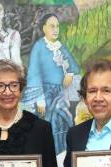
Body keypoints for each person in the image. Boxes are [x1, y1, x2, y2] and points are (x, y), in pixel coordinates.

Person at [26, 13, 80, 155]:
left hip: (61, 94)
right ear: (44, 28)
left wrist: (69, 74)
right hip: (45, 95)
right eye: (52, 26)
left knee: (62, 123)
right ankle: (49, 159)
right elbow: (34, 73)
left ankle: (62, 157)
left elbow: (74, 66)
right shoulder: (38, 47)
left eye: (57, 26)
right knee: (48, 126)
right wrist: (40, 100)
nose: (55, 29)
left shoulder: (61, 47)